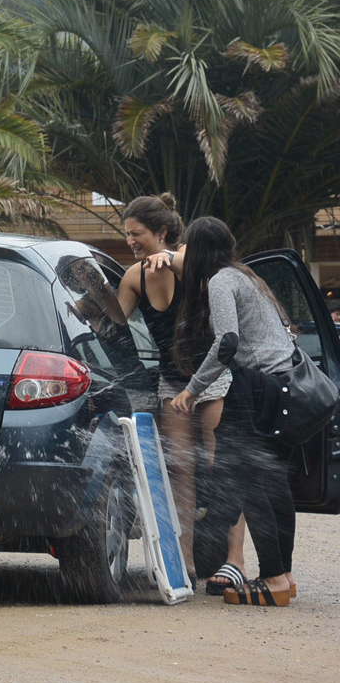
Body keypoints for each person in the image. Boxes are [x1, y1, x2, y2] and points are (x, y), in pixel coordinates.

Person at [151, 217, 297, 606]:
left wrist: (191, 389)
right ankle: (284, 576)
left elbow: (227, 341)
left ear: (197, 253)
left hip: (258, 388)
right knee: (275, 485)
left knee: (249, 484)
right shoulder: (246, 276)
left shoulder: (219, 282)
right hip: (284, 385)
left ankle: (274, 579)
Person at [115, 193, 232, 586]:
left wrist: (177, 258)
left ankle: (236, 561)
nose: (131, 241)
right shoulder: (134, 276)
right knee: (181, 471)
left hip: (213, 378)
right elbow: (111, 325)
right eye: (127, 234)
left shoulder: (191, 263)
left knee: (221, 468)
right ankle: (185, 561)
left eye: (138, 234)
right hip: (172, 382)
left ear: (161, 232)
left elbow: (223, 276)